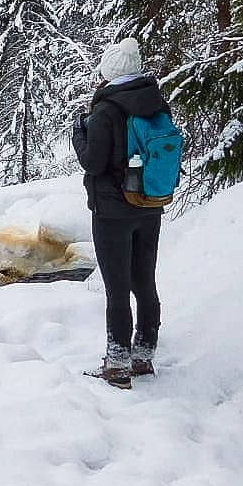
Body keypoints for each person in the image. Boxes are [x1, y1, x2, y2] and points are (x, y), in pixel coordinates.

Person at [72, 37, 170, 389]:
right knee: (145, 281)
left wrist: (77, 135)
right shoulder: (156, 103)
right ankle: (143, 357)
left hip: (113, 211)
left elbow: (94, 163)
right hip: (150, 204)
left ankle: (117, 366)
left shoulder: (106, 110)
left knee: (117, 290)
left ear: (109, 71)